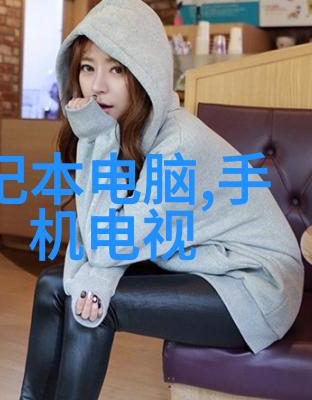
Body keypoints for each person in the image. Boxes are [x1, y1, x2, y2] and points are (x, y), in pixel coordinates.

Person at [19, 1, 304, 399]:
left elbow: (106, 245)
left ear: (145, 71)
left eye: (117, 69)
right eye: (87, 68)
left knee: (93, 307)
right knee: (54, 285)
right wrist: (98, 138)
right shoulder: (125, 131)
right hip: (201, 265)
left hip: (252, 287)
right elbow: (95, 236)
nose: (97, 86)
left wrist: (95, 137)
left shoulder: (179, 144)